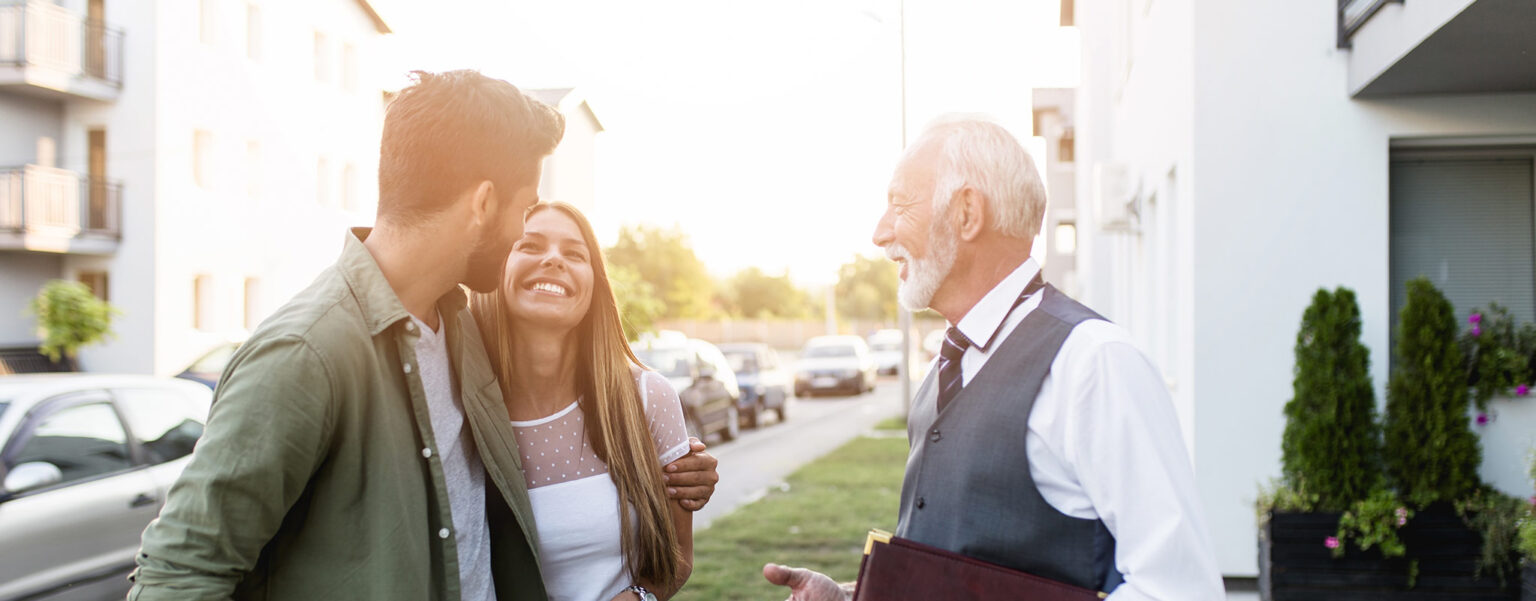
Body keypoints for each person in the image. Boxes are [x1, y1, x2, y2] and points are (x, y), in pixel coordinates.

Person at [128, 70, 717, 601]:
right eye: (525, 212)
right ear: (484, 202)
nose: (522, 235)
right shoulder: (307, 353)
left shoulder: (458, 330)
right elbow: (177, 576)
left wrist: (675, 470)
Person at [763, 116, 1224, 600]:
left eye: (900, 205)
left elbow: (1180, 589)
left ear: (966, 213)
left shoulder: (1095, 364)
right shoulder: (950, 362)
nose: (881, 233)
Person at [470, 202, 693, 601]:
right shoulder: (461, 406)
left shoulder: (647, 397)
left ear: (595, 285)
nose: (553, 259)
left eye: (574, 253)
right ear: (497, 270)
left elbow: (676, 557)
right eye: (530, 246)